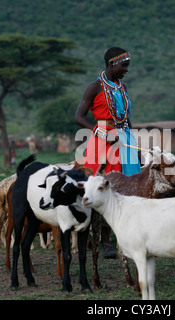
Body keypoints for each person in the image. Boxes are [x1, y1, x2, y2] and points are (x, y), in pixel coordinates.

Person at [75, 47, 141, 258]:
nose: (126, 70)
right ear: (112, 63)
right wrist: (101, 133)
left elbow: (126, 118)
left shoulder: (123, 87)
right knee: (105, 186)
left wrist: (134, 143)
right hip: (104, 142)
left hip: (125, 139)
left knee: (129, 186)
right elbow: (79, 116)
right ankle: (105, 242)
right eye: (124, 65)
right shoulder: (94, 88)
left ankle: (128, 236)